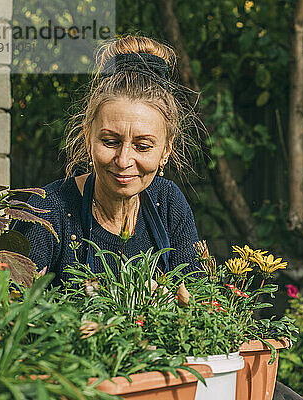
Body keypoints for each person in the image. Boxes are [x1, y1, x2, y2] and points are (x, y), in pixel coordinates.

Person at [14, 36, 200, 282]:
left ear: (166, 150)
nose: (123, 161)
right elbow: (8, 307)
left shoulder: (168, 203)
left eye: (142, 146)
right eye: (110, 142)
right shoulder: (50, 210)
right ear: (87, 136)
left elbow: (198, 303)